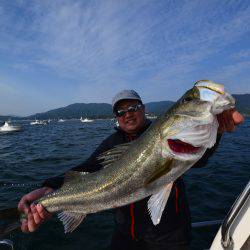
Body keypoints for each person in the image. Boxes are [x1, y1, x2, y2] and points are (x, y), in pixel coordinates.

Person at [18, 90, 244, 250]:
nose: (127, 114)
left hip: (169, 236)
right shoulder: (112, 142)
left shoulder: (166, 131)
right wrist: (49, 187)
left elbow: (199, 159)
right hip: (125, 235)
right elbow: (87, 167)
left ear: (143, 109)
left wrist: (216, 133)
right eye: (120, 111)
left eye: (133, 107)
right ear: (116, 118)